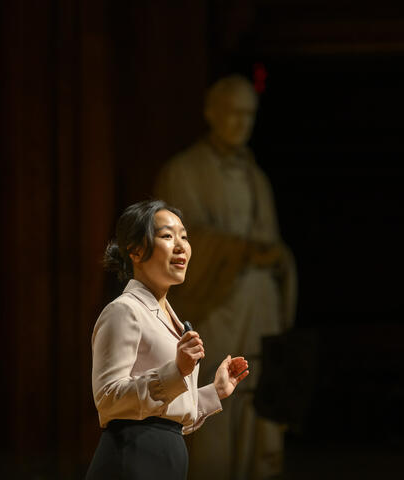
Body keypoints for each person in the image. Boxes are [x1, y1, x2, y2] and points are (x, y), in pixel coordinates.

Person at [154, 75, 297, 480]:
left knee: (257, 403)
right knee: (217, 401)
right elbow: (176, 241)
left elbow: (269, 242)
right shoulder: (184, 170)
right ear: (211, 113)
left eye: (249, 115)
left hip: (258, 306)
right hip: (216, 304)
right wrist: (242, 251)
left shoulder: (256, 177)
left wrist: (273, 257)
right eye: (232, 113)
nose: (241, 123)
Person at [85, 200, 249, 480]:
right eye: (167, 236)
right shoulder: (124, 311)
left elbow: (168, 416)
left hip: (166, 457)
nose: (181, 245)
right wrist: (177, 370)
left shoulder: (174, 320)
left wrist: (215, 391)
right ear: (135, 251)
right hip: (132, 458)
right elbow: (108, 400)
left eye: (184, 237)